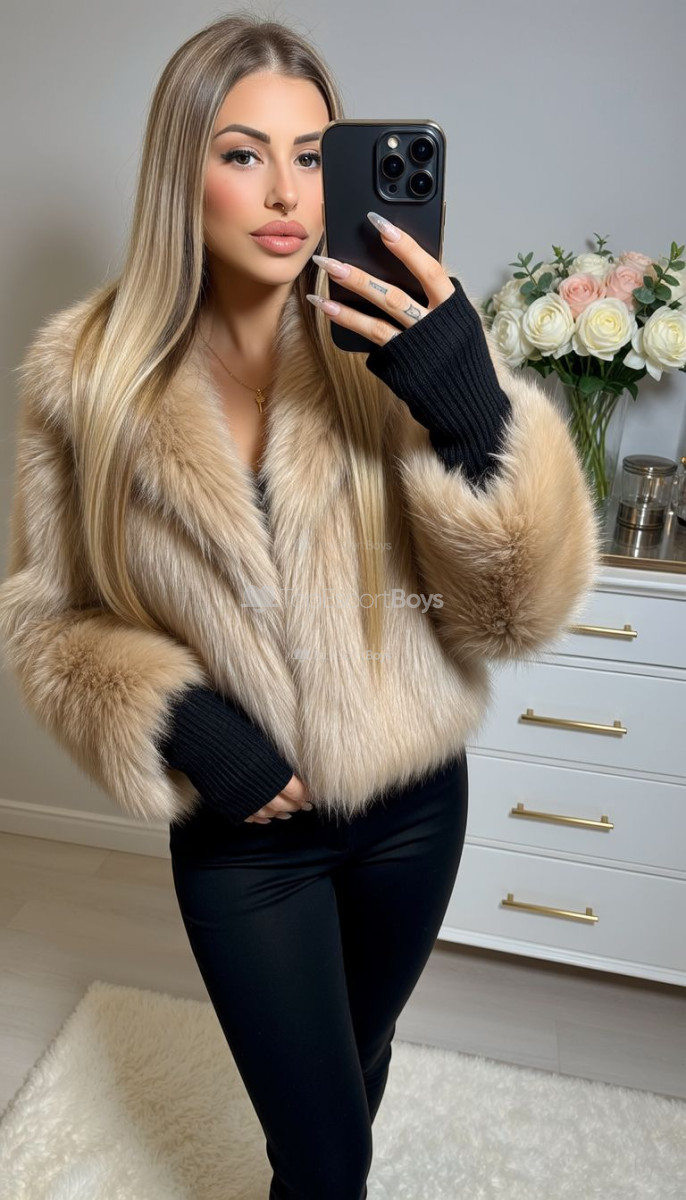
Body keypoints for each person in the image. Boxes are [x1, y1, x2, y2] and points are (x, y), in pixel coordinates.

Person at [0, 12, 601, 1199]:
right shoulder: (85, 378)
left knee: (354, 1074)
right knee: (322, 1156)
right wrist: (176, 717)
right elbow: (46, 618)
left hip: (411, 809)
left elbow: (511, 615)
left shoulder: (396, 338)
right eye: (242, 153)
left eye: (313, 156)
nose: (286, 193)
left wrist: (471, 414)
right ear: (182, 174)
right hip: (245, 839)